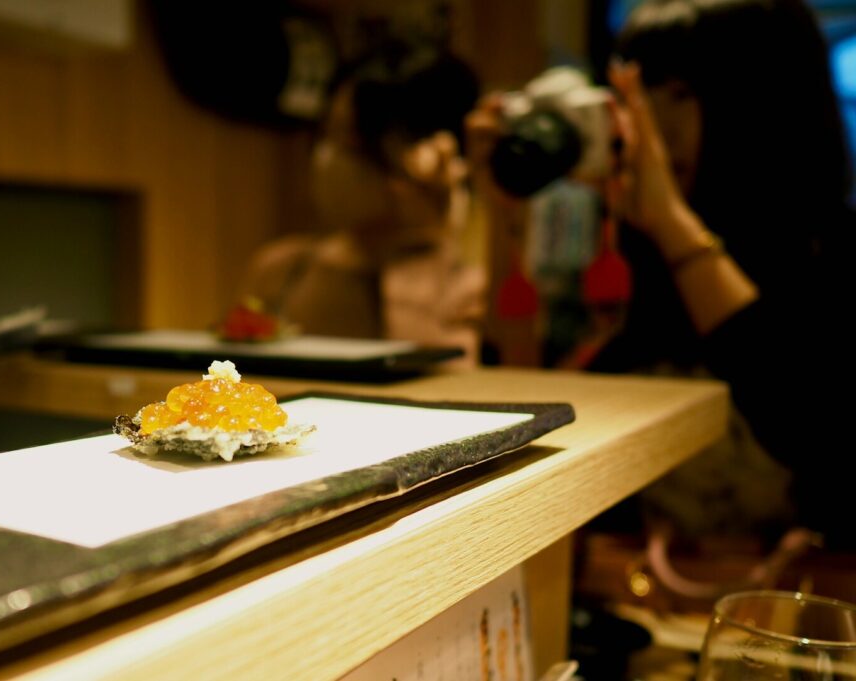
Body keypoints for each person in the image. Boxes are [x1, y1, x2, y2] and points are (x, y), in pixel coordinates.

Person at [470, 0, 854, 546]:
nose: (648, 126)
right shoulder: (627, 249)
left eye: (678, 94)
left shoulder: (831, 259)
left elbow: (802, 422)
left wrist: (672, 222)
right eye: (634, 94)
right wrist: (502, 216)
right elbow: (519, 408)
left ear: (769, 101)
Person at [236, 38, 486, 363]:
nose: (328, 157)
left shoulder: (469, 288)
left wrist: (422, 242)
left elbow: (434, 392)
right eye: (328, 133)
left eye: (351, 143)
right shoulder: (281, 269)